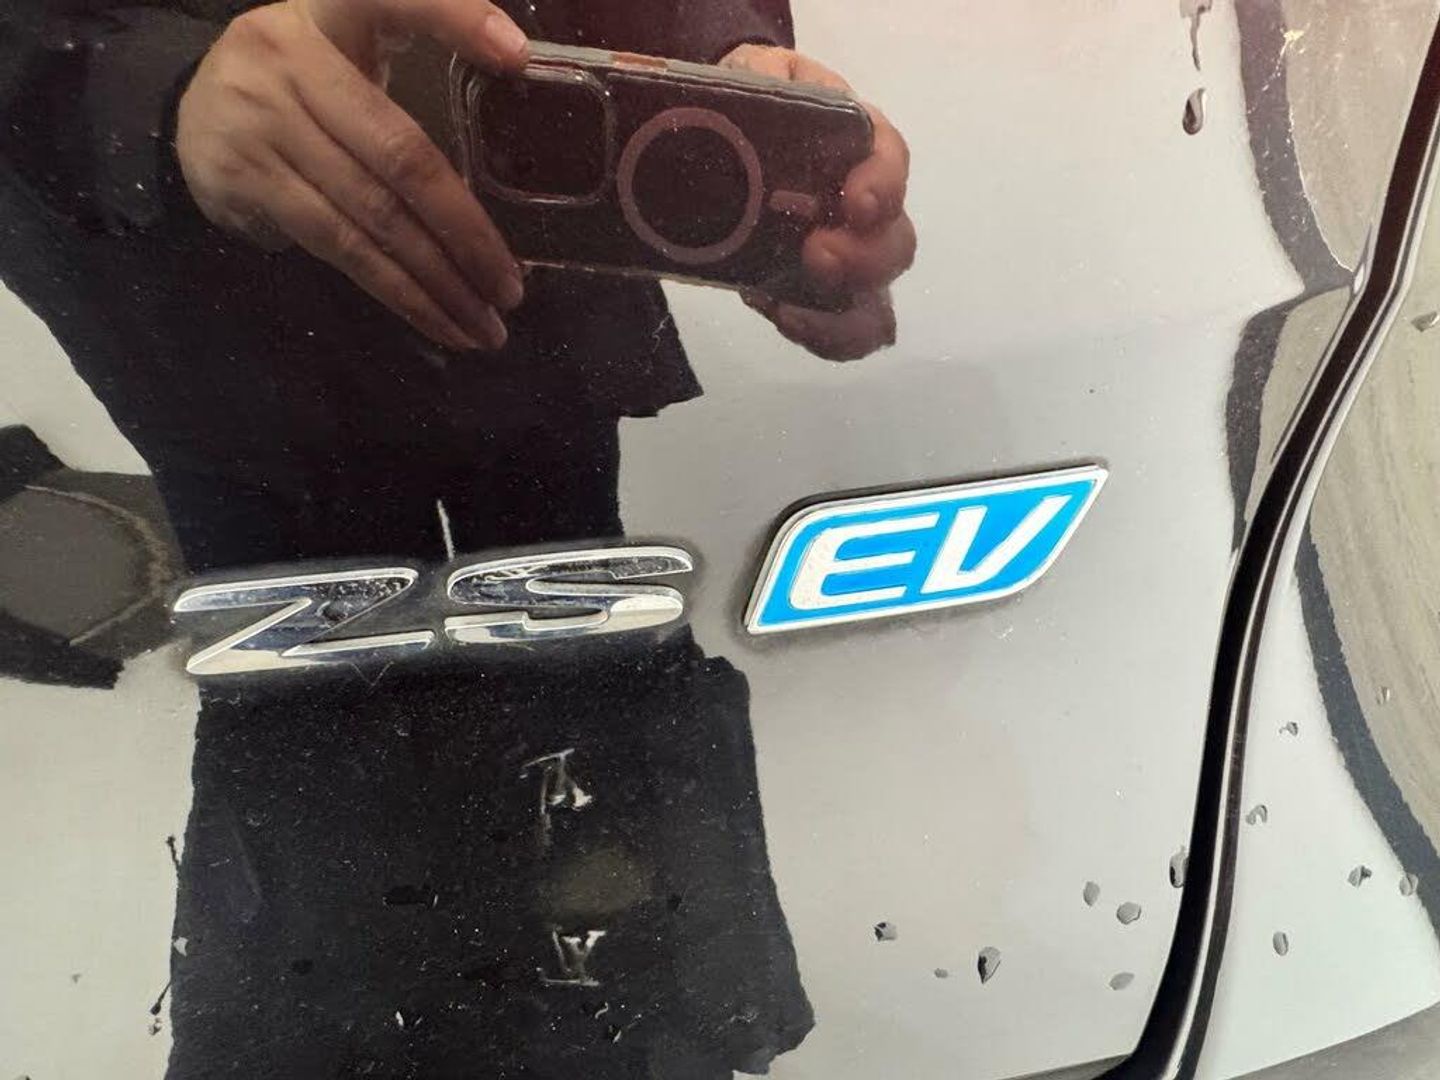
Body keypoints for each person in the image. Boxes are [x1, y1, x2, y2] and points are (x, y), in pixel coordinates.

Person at [0, 2, 913, 1076]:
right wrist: (151, 89)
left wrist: (729, 76)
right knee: (324, 733)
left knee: (544, 685)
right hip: (229, 344)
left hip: (518, 293)